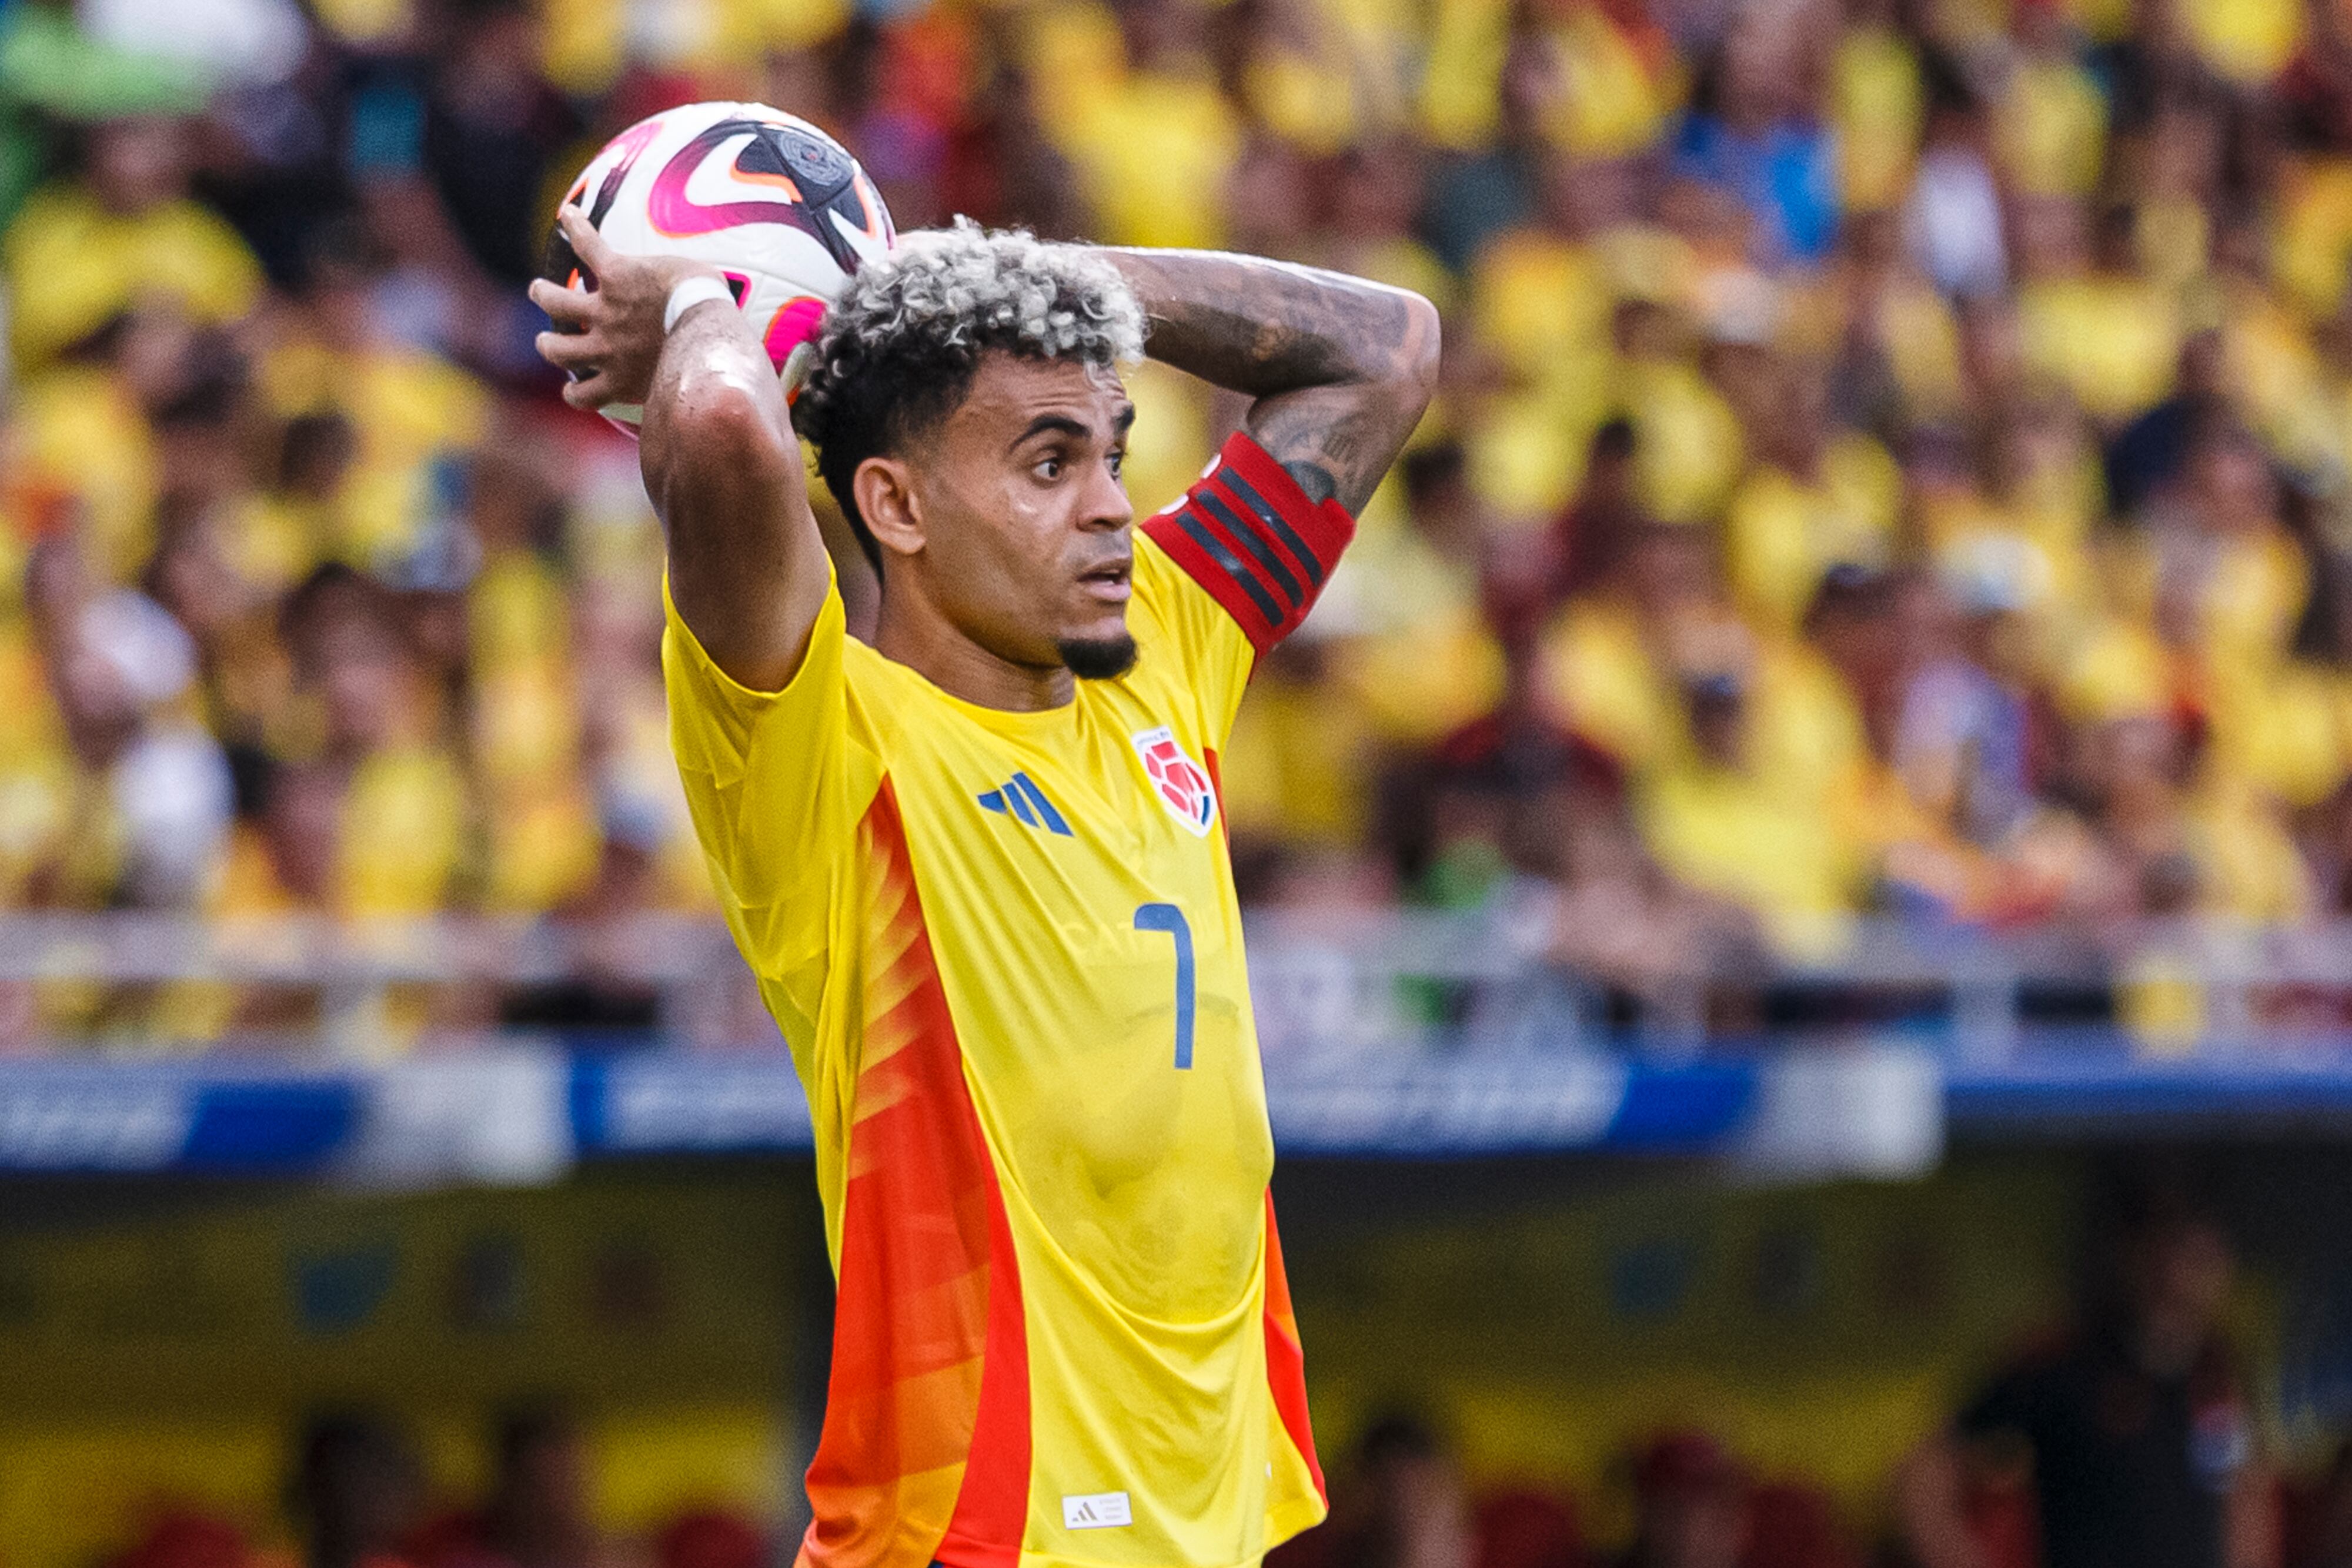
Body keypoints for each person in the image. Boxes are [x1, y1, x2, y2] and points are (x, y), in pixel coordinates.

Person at [528, 208, 1437, 1568]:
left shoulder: (1166, 648)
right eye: (1047, 461)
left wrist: (1048, 282)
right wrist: (704, 310)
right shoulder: (825, 742)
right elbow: (723, 436)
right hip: (977, 1533)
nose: (1111, 505)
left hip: (1207, 1527)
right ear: (892, 504)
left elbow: (1390, 350)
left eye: (1113, 455)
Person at [1895, 1196, 2273, 1568]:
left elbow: (2243, 1499)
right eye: (2172, 1252)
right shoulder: (2067, 1363)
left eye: (2204, 1257)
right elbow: (1923, 1475)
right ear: (2136, 1256)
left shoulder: (2218, 1372)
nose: (2184, 1276)